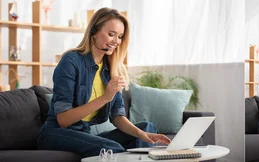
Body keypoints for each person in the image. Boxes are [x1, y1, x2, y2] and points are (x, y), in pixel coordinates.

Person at [37, 8, 171, 157]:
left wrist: (142, 134)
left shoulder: (112, 68)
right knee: (110, 147)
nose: (116, 41)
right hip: (56, 133)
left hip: (84, 133)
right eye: (111, 34)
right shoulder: (71, 61)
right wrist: (105, 97)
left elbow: (117, 117)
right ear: (94, 31)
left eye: (120, 36)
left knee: (148, 128)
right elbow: (63, 120)